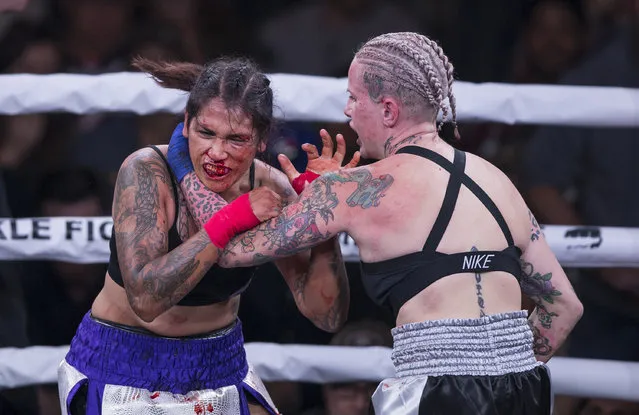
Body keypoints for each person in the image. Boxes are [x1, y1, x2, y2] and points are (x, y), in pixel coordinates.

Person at [209, 32, 584, 414]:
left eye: (354, 98)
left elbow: (230, 251)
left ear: (388, 110)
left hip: (442, 396)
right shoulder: (497, 180)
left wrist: (212, 189)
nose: (347, 111)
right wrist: (505, 375)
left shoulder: (355, 188)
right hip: (525, 390)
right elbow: (564, 306)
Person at [57, 56, 355, 415]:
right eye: (206, 132)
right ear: (186, 124)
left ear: (261, 141)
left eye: (237, 139)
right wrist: (232, 218)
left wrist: (323, 216)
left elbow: (325, 314)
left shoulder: (269, 188)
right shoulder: (147, 171)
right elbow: (146, 299)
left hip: (218, 364)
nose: (217, 153)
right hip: (125, 361)